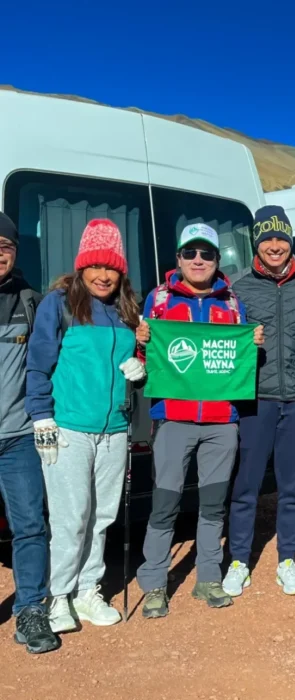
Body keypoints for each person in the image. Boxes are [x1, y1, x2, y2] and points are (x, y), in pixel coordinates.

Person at [135, 223, 263, 618]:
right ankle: (154, 582)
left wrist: (253, 347)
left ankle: (208, 576)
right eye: (190, 253)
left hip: (222, 422)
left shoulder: (233, 304)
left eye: (206, 254)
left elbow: (241, 366)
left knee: (212, 505)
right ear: (179, 258)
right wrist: (139, 343)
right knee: (164, 503)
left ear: (216, 260)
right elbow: (144, 366)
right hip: (174, 419)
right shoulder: (158, 300)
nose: (198, 260)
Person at [25, 219, 145, 633]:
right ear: (81, 268)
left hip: (114, 429)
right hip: (69, 428)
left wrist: (140, 367)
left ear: (120, 270)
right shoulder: (58, 304)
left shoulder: (128, 309)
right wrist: (41, 415)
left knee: (102, 515)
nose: (102, 275)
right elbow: (38, 364)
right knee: (70, 516)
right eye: (94, 266)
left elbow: (141, 360)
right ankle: (59, 597)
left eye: (110, 267)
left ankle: (88, 591)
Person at [225, 206, 295, 597]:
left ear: (290, 241)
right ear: (256, 243)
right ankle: (238, 561)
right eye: (267, 239)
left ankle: (287, 560)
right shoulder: (237, 286)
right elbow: (220, 337)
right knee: (245, 484)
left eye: (281, 238)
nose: (276, 245)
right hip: (255, 397)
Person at [0, 212, 58, 654]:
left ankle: (31, 611)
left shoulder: (31, 302)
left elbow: (64, 344)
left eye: (5, 247)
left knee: (30, 526)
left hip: (18, 436)